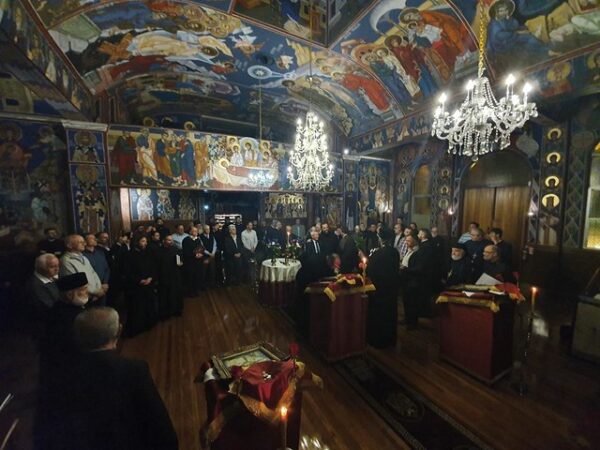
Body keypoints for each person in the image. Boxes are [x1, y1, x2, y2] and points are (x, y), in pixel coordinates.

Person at [39, 307, 178, 450]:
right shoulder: (134, 371)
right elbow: (159, 426)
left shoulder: (58, 376)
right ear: (118, 331)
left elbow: (45, 428)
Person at [366, 228, 400, 348]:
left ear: (380, 239)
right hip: (391, 288)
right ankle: (390, 340)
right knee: (390, 313)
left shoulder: (378, 254)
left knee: (379, 314)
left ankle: (378, 340)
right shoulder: (395, 252)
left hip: (379, 288)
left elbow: (370, 270)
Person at [125, 236, 158, 336]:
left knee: (148, 305)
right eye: (143, 241)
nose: (145, 243)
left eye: (146, 241)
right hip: (136, 286)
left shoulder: (148, 253)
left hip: (148, 284)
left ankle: (148, 324)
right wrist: (139, 280)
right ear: (137, 242)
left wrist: (151, 278)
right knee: (137, 307)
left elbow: (153, 266)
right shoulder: (129, 254)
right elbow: (127, 271)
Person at [60, 234, 107, 304]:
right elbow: (76, 283)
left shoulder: (84, 258)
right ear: (69, 245)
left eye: (84, 242)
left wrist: (99, 288)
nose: (84, 244)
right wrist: (95, 292)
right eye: (80, 242)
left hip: (96, 295)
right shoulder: (66, 261)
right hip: (84, 299)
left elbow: (94, 274)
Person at [400, 235, 425, 329]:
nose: (407, 243)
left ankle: (413, 323)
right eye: (406, 241)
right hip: (406, 280)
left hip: (413, 282)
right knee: (406, 301)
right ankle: (407, 319)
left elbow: (419, 268)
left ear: (415, 241)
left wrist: (405, 269)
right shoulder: (409, 251)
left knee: (412, 303)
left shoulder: (418, 253)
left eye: (409, 241)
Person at [157, 235, 184, 319]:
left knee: (175, 293)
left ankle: (175, 310)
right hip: (164, 276)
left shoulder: (175, 249)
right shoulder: (159, 251)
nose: (171, 242)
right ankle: (165, 313)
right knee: (164, 295)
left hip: (174, 275)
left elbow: (179, 260)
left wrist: (180, 263)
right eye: (169, 240)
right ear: (164, 241)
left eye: (171, 240)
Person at [27, 254, 60, 321]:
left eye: (58, 265)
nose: (57, 269)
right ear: (41, 269)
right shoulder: (35, 286)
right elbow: (50, 308)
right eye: (52, 267)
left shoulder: (51, 276)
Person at [83, 233, 110, 306]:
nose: (95, 239)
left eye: (95, 238)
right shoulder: (82, 255)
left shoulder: (100, 253)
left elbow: (106, 269)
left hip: (103, 287)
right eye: (91, 238)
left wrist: (105, 283)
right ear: (85, 241)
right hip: (91, 290)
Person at [182, 227, 204, 296]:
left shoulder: (198, 239)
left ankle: (195, 290)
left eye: (196, 231)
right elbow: (185, 252)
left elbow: (200, 248)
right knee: (190, 277)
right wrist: (194, 255)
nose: (196, 232)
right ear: (190, 232)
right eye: (194, 231)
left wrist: (201, 254)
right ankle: (190, 292)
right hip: (190, 262)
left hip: (197, 262)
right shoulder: (186, 240)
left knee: (196, 276)